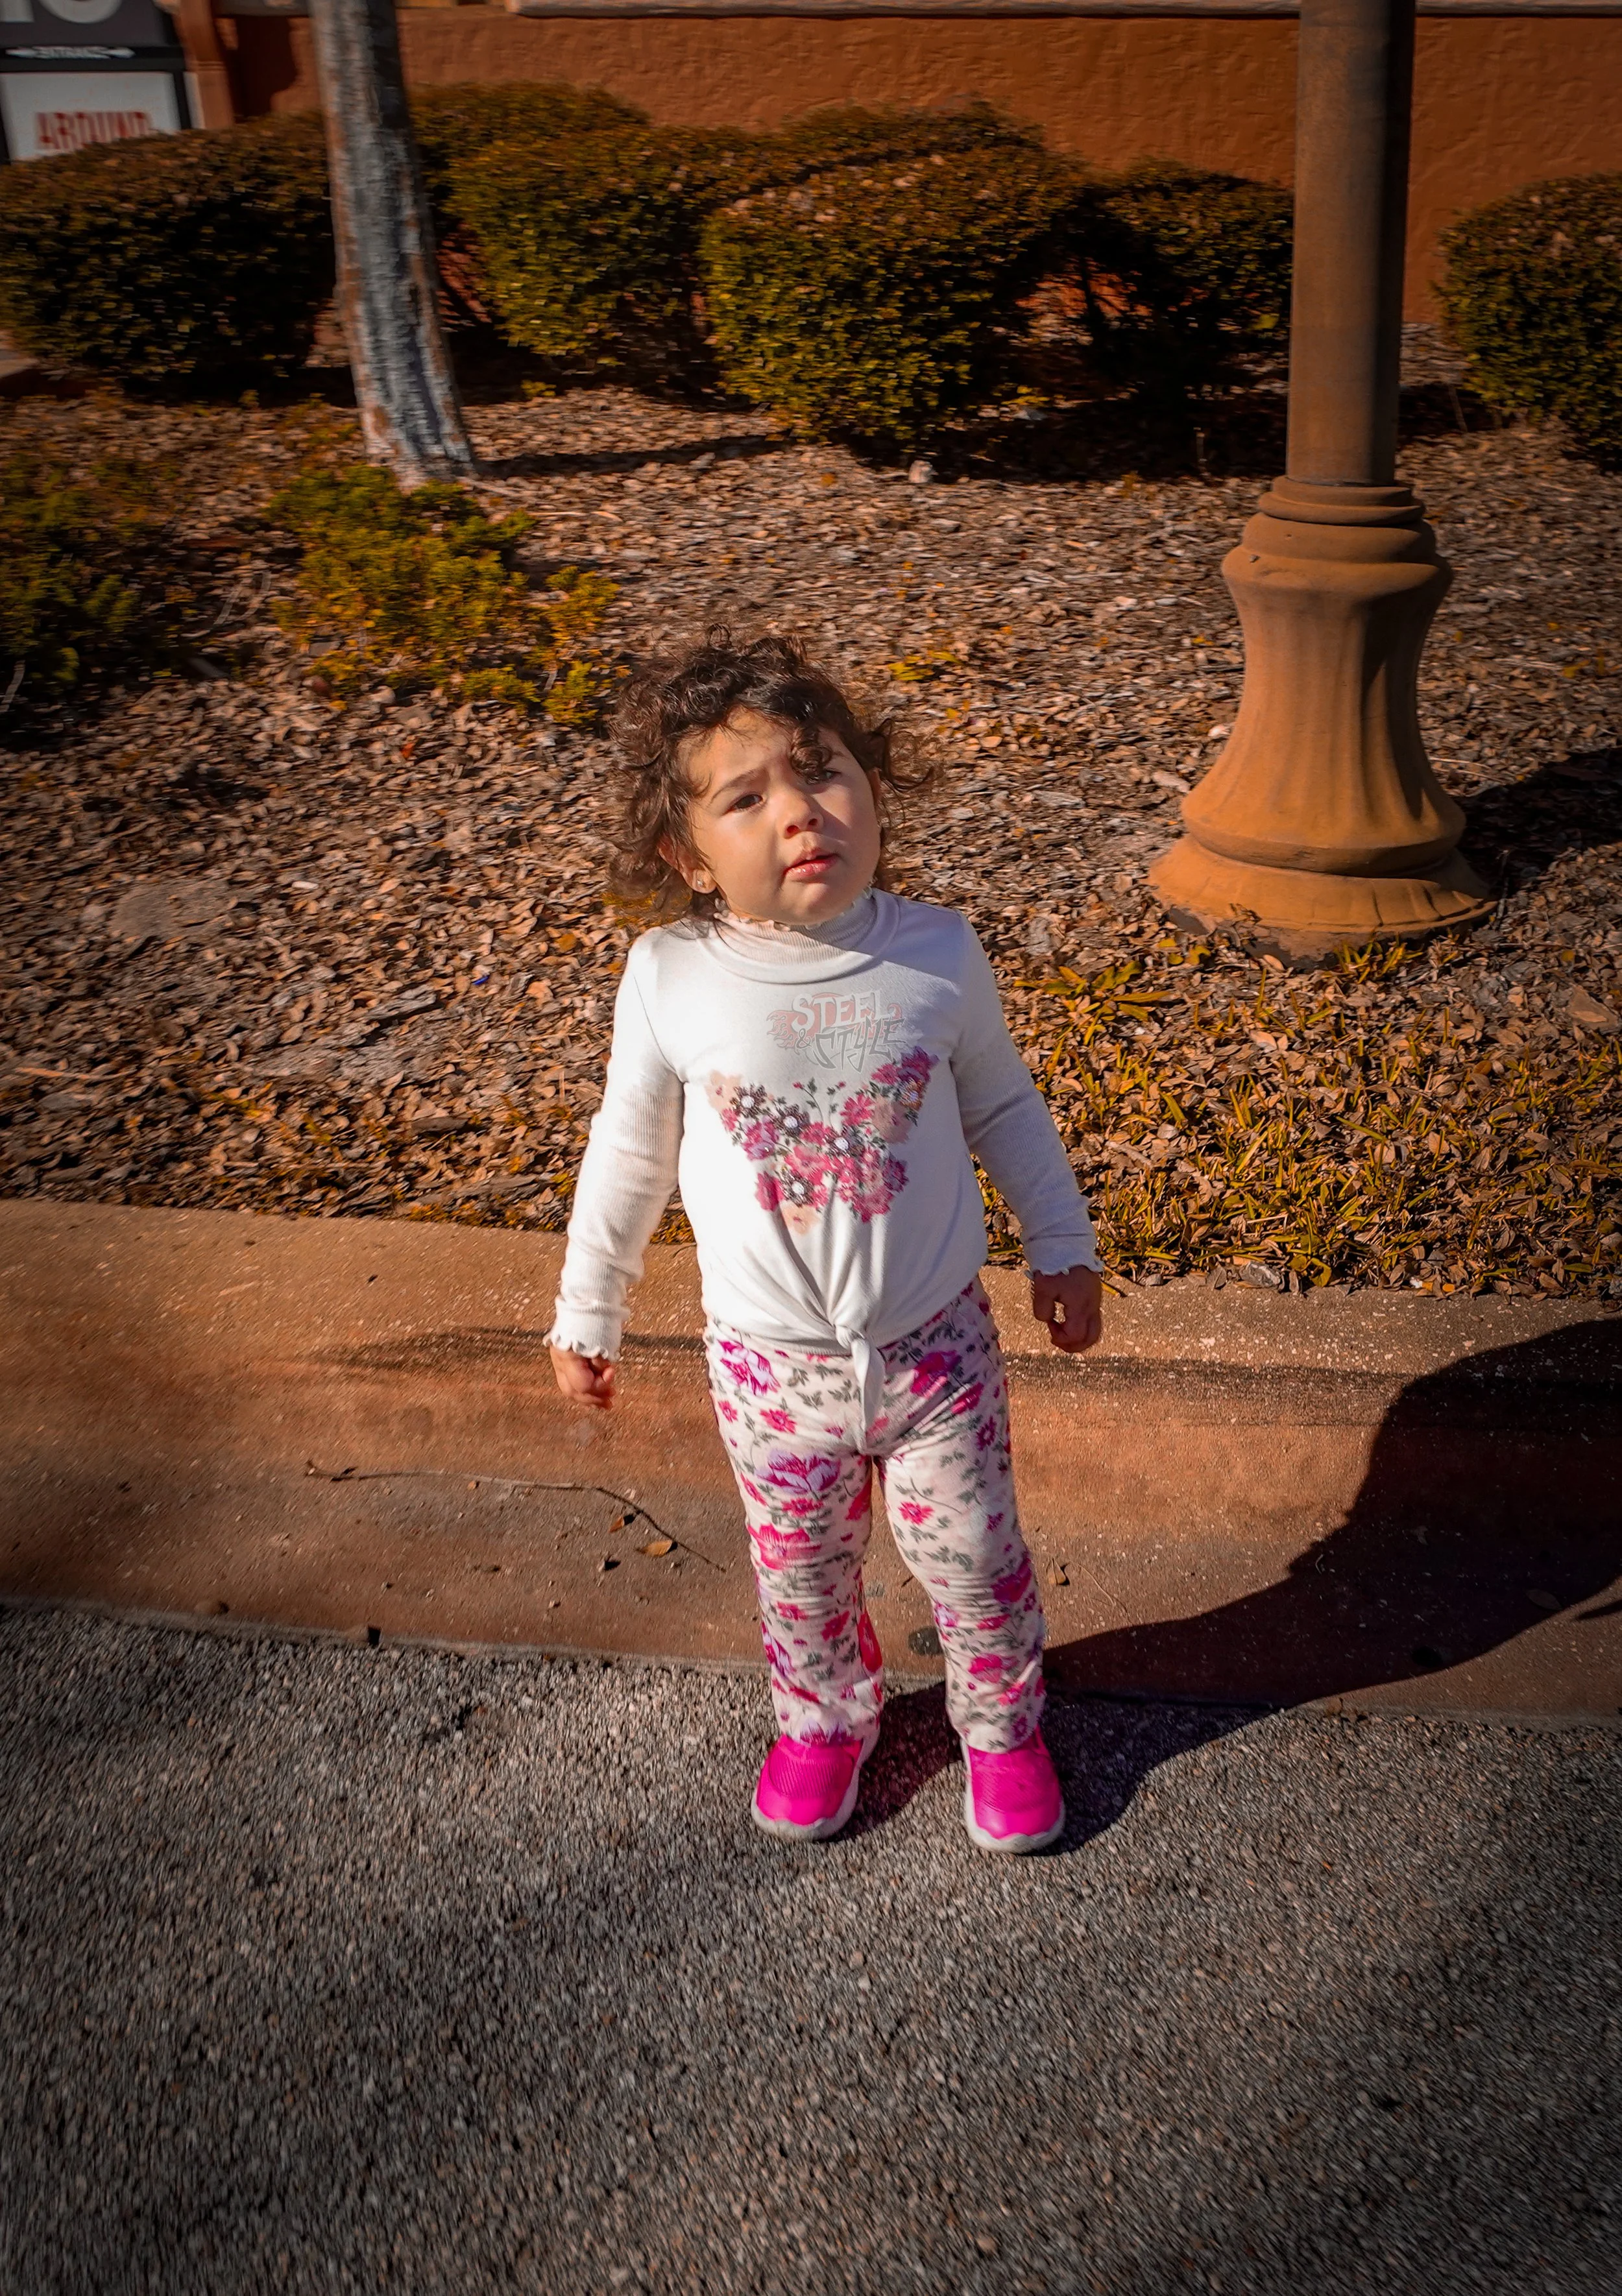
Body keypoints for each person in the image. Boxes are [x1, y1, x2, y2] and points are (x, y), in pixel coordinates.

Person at [548, 632, 1104, 1851]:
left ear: (873, 790)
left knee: (973, 1557)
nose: (801, 814)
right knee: (799, 1569)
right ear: (682, 852)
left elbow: (1007, 1107)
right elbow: (629, 1149)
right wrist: (590, 1304)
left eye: (826, 773)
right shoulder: (671, 974)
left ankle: (1003, 1725)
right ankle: (824, 1715)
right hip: (767, 1367)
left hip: (937, 1349)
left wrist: (1062, 1243)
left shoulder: (936, 954)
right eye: (747, 798)